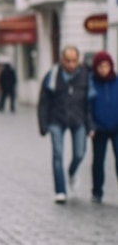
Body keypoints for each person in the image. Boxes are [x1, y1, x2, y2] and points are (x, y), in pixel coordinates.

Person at [37, 46, 92, 204]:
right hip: (56, 119)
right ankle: (60, 190)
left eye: (74, 60)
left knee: (80, 153)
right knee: (58, 154)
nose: (71, 64)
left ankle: (72, 172)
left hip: (78, 118)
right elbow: (44, 101)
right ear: (62, 60)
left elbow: (89, 101)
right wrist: (43, 124)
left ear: (78, 60)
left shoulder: (85, 76)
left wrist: (90, 125)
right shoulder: (53, 75)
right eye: (67, 60)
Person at [88, 51, 118, 204]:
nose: (103, 69)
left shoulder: (116, 81)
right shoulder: (91, 82)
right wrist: (91, 125)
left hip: (116, 127)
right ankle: (97, 191)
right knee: (98, 161)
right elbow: (87, 106)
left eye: (106, 66)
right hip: (98, 128)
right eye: (100, 66)